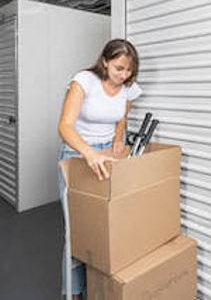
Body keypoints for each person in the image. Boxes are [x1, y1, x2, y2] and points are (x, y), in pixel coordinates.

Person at [57, 38, 142, 300]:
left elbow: (122, 116)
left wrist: (118, 140)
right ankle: (72, 293)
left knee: (105, 225)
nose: (123, 75)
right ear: (104, 62)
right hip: (78, 154)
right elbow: (65, 126)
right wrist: (89, 152)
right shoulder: (84, 81)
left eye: (129, 70)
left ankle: (99, 289)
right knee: (78, 231)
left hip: (107, 154)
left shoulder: (128, 87)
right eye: (118, 68)